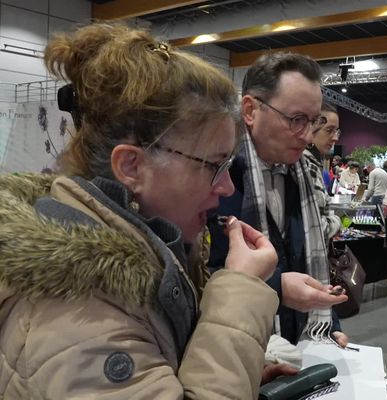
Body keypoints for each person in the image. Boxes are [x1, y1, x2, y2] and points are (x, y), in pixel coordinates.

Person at [0, 23, 280, 399]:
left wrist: (241, 371)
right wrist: (239, 291)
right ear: (132, 166)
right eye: (214, 165)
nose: (227, 186)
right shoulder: (78, 307)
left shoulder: (152, 253)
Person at [207, 52, 349, 347]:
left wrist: (329, 323)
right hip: (233, 345)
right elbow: (194, 272)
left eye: (313, 122)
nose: (308, 135)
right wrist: (276, 287)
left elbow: (310, 259)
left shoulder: (302, 173)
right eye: (296, 120)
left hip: (299, 342)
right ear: (250, 110)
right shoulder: (214, 173)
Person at [303, 101, 342, 242]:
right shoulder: (308, 165)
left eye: (336, 131)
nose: (335, 138)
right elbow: (317, 228)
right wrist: (337, 222)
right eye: (329, 130)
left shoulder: (311, 163)